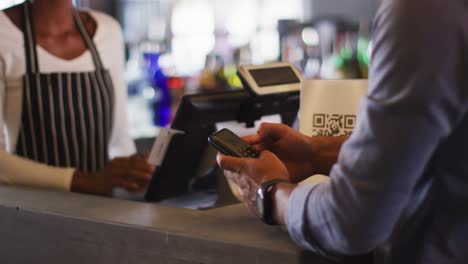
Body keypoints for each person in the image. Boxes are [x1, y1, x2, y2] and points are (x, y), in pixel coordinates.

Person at [217, 0, 468, 263]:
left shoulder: (424, 12)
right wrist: (315, 154)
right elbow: (441, 151)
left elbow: (351, 220)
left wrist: (269, 193)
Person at [0, 0, 154, 195]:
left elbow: (120, 140)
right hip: (29, 214)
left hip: (101, 211)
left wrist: (134, 174)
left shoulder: (109, 31)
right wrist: (83, 181)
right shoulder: (2, 33)